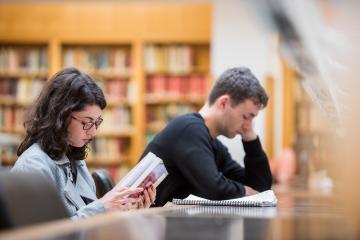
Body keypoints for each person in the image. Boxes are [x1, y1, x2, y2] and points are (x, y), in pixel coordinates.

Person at [12, 67, 156, 218]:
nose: (93, 132)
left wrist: (131, 211)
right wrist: (102, 207)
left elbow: (91, 225)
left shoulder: (74, 160)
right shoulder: (33, 166)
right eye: (86, 122)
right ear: (60, 116)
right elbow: (43, 234)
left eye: (96, 122)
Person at [139, 67, 272, 206]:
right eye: (246, 117)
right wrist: (245, 191)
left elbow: (261, 189)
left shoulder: (213, 144)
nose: (247, 125)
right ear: (223, 103)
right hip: (148, 224)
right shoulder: (189, 130)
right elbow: (214, 189)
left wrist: (250, 139)